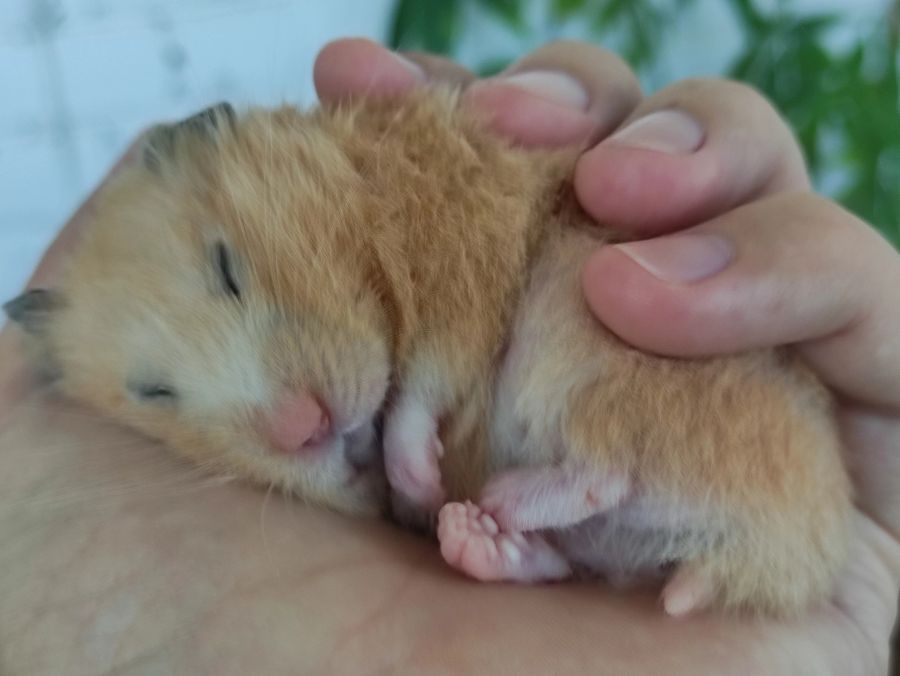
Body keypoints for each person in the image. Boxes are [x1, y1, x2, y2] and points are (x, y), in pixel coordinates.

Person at [0, 38, 896, 674]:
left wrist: (423, 400)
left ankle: (608, 475)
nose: (290, 417)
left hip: (723, 473)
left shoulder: (400, 154)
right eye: (159, 395)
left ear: (235, 137)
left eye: (232, 274)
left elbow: (479, 247)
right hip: (635, 555)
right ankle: (552, 542)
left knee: (578, 291)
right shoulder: (74, 457)